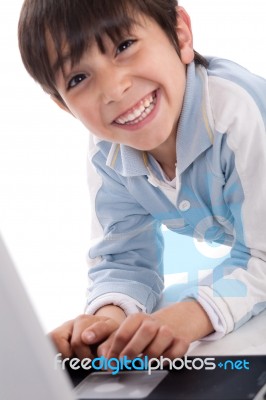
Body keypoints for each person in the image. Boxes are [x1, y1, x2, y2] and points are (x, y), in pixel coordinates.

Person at [18, 0, 266, 362]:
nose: (115, 90)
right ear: (63, 105)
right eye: (78, 78)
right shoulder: (109, 150)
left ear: (180, 35)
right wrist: (106, 322)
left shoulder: (238, 114)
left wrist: (190, 315)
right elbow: (124, 258)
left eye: (123, 46)